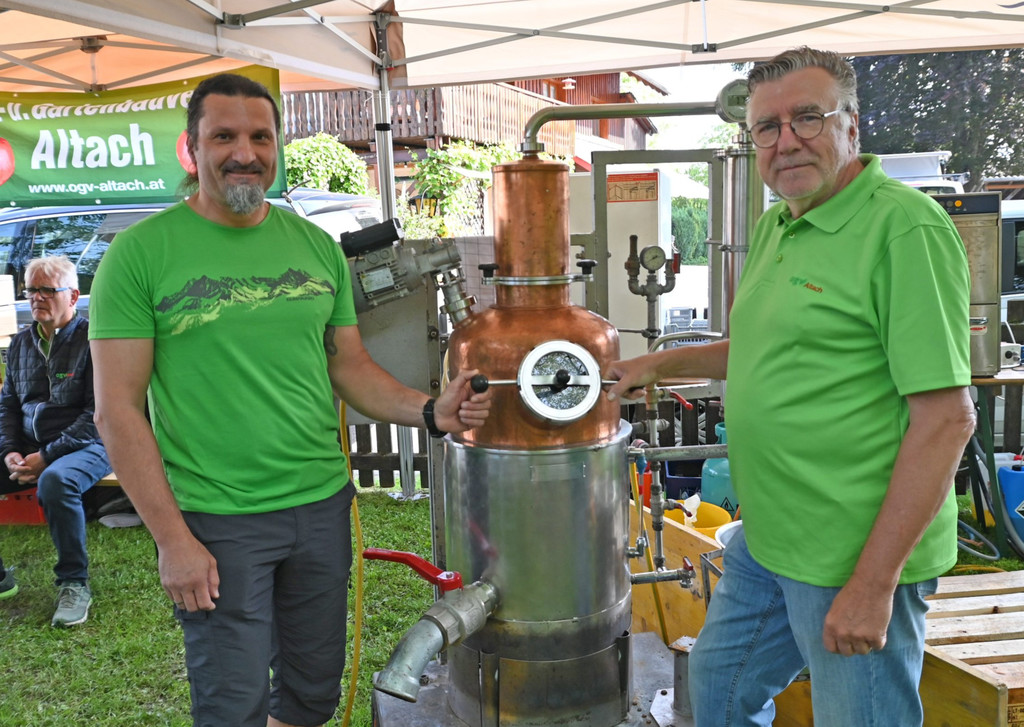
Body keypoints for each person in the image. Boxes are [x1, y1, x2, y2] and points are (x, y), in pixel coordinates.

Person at [88, 73, 491, 727]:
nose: (244, 152)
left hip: (320, 506)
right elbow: (118, 410)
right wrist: (172, 540)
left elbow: (348, 365)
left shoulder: (314, 247)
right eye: (224, 136)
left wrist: (429, 411)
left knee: (311, 696)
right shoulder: (139, 255)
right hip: (219, 517)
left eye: (260, 137)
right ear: (192, 147)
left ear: (277, 146)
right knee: (234, 706)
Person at [606, 47, 975, 726]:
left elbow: (948, 420)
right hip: (770, 536)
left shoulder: (904, 229)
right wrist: (651, 367)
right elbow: (764, 345)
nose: (787, 142)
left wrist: (872, 585)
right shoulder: (780, 222)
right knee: (717, 691)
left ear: (852, 125)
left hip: (852, 550)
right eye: (767, 128)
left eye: (808, 118)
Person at [0, 255, 111, 627]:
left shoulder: (94, 340)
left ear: (73, 296)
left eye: (48, 289)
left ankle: (74, 583)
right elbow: (8, 405)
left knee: (56, 480)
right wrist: (10, 451)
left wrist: (47, 456)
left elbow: (99, 414)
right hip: (31, 446)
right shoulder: (20, 343)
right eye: (31, 290)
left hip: (91, 443)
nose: (37, 297)